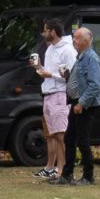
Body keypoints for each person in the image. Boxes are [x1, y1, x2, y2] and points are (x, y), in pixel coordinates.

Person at [33, 20, 75, 184]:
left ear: (53, 32)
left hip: (60, 94)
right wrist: (39, 67)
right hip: (48, 94)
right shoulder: (50, 48)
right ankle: (57, 169)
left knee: (61, 135)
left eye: (45, 31)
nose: (43, 34)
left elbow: (71, 76)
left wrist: (50, 75)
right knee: (54, 135)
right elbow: (49, 71)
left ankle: (64, 171)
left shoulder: (68, 50)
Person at [65, 26, 100, 186]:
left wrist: (82, 103)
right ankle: (66, 175)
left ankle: (88, 176)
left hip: (85, 105)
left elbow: (96, 85)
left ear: (85, 41)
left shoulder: (91, 58)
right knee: (69, 138)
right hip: (77, 103)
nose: (73, 40)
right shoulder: (81, 57)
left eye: (76, 37)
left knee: (82, 140)